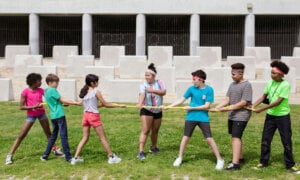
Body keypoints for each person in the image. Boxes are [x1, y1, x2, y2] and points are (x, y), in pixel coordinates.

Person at [165, 69, 224, 170]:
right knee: (186, 137)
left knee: (209, 138)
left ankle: (219, 160)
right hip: (191, 117)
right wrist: (169, 106)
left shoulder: (209, 90)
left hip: (203, 118)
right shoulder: (191, 89)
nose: (192, 81)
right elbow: (181, 100)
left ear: (201, 79)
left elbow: (207, 106)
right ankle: (179, 158)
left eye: (194, 79)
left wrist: (191, 107)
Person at [251, 61, 300, 174]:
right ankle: (263, 162)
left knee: (286, 140)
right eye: (271, 72)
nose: (271, 75)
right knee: (265, 140)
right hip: (270, 116)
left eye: (273, 73)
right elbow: (263, 97)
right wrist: (253, 106)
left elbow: (277, 102)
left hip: (283, 117)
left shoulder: (285, 85)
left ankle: (290, 165)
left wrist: (260, 109)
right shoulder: (270, 83)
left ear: (281, 74)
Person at [5, 73, 63, 165]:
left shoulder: (41, 90)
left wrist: (62, 103)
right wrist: (33, 107)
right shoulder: (25, 92)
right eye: (39, 81)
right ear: (34, 82)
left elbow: (51, 98)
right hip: (31, 116)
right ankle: (10, 155)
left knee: (48, 133)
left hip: (42, 114)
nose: (41, 82)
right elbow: (21, 107)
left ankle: (55, 150)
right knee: (22, 135)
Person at [71, 74, 124, 165]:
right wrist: (119, 105)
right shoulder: (96, 91)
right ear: (92, 83)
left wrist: (101, 105)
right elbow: (107, 104)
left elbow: (91, 105)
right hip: (93, 117)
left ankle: (75, 158)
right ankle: (111, 157)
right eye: (96, 81)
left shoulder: (85, 92)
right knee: (102, 137)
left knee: (85, 137)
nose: (98, 83)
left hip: (86, 116)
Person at [210, 63, 252, 170]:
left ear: (241, 73)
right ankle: (240, 157)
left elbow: (243, 102)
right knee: (236, 137)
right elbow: (227, 99)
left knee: (235, 138)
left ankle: (235, 164)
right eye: (231, 73)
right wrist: (217, 107)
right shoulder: (232, 85)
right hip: (232, 115)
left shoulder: (247, 85)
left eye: (234, 74)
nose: (232, 76)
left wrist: (227, 108)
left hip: (241, 116)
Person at [40, 73, 81, 162]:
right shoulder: (53, 90)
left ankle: (45, 155)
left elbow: (56, 101)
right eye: (56, 82)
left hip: (53, 116)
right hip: (59, 115)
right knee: (63, 136)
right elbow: (62, 99)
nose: (57, 84)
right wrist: (75, 103)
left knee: (53, 136)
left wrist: (62, 103)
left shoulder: (46, 91)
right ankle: (68, 157)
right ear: (50, 82)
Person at [136, 63, 166, 160]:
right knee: (146, 130)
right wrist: (140, 103)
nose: (146, 77)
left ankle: (153, 147)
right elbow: (142, 95)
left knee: (155, 130)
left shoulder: (160, 83)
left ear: (153, 76)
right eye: (145, 75)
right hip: (147, 109)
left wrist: (152, 91)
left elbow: (164, 92)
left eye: (148, 75)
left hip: (158, 109)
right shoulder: (143, 85)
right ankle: (140, 152)